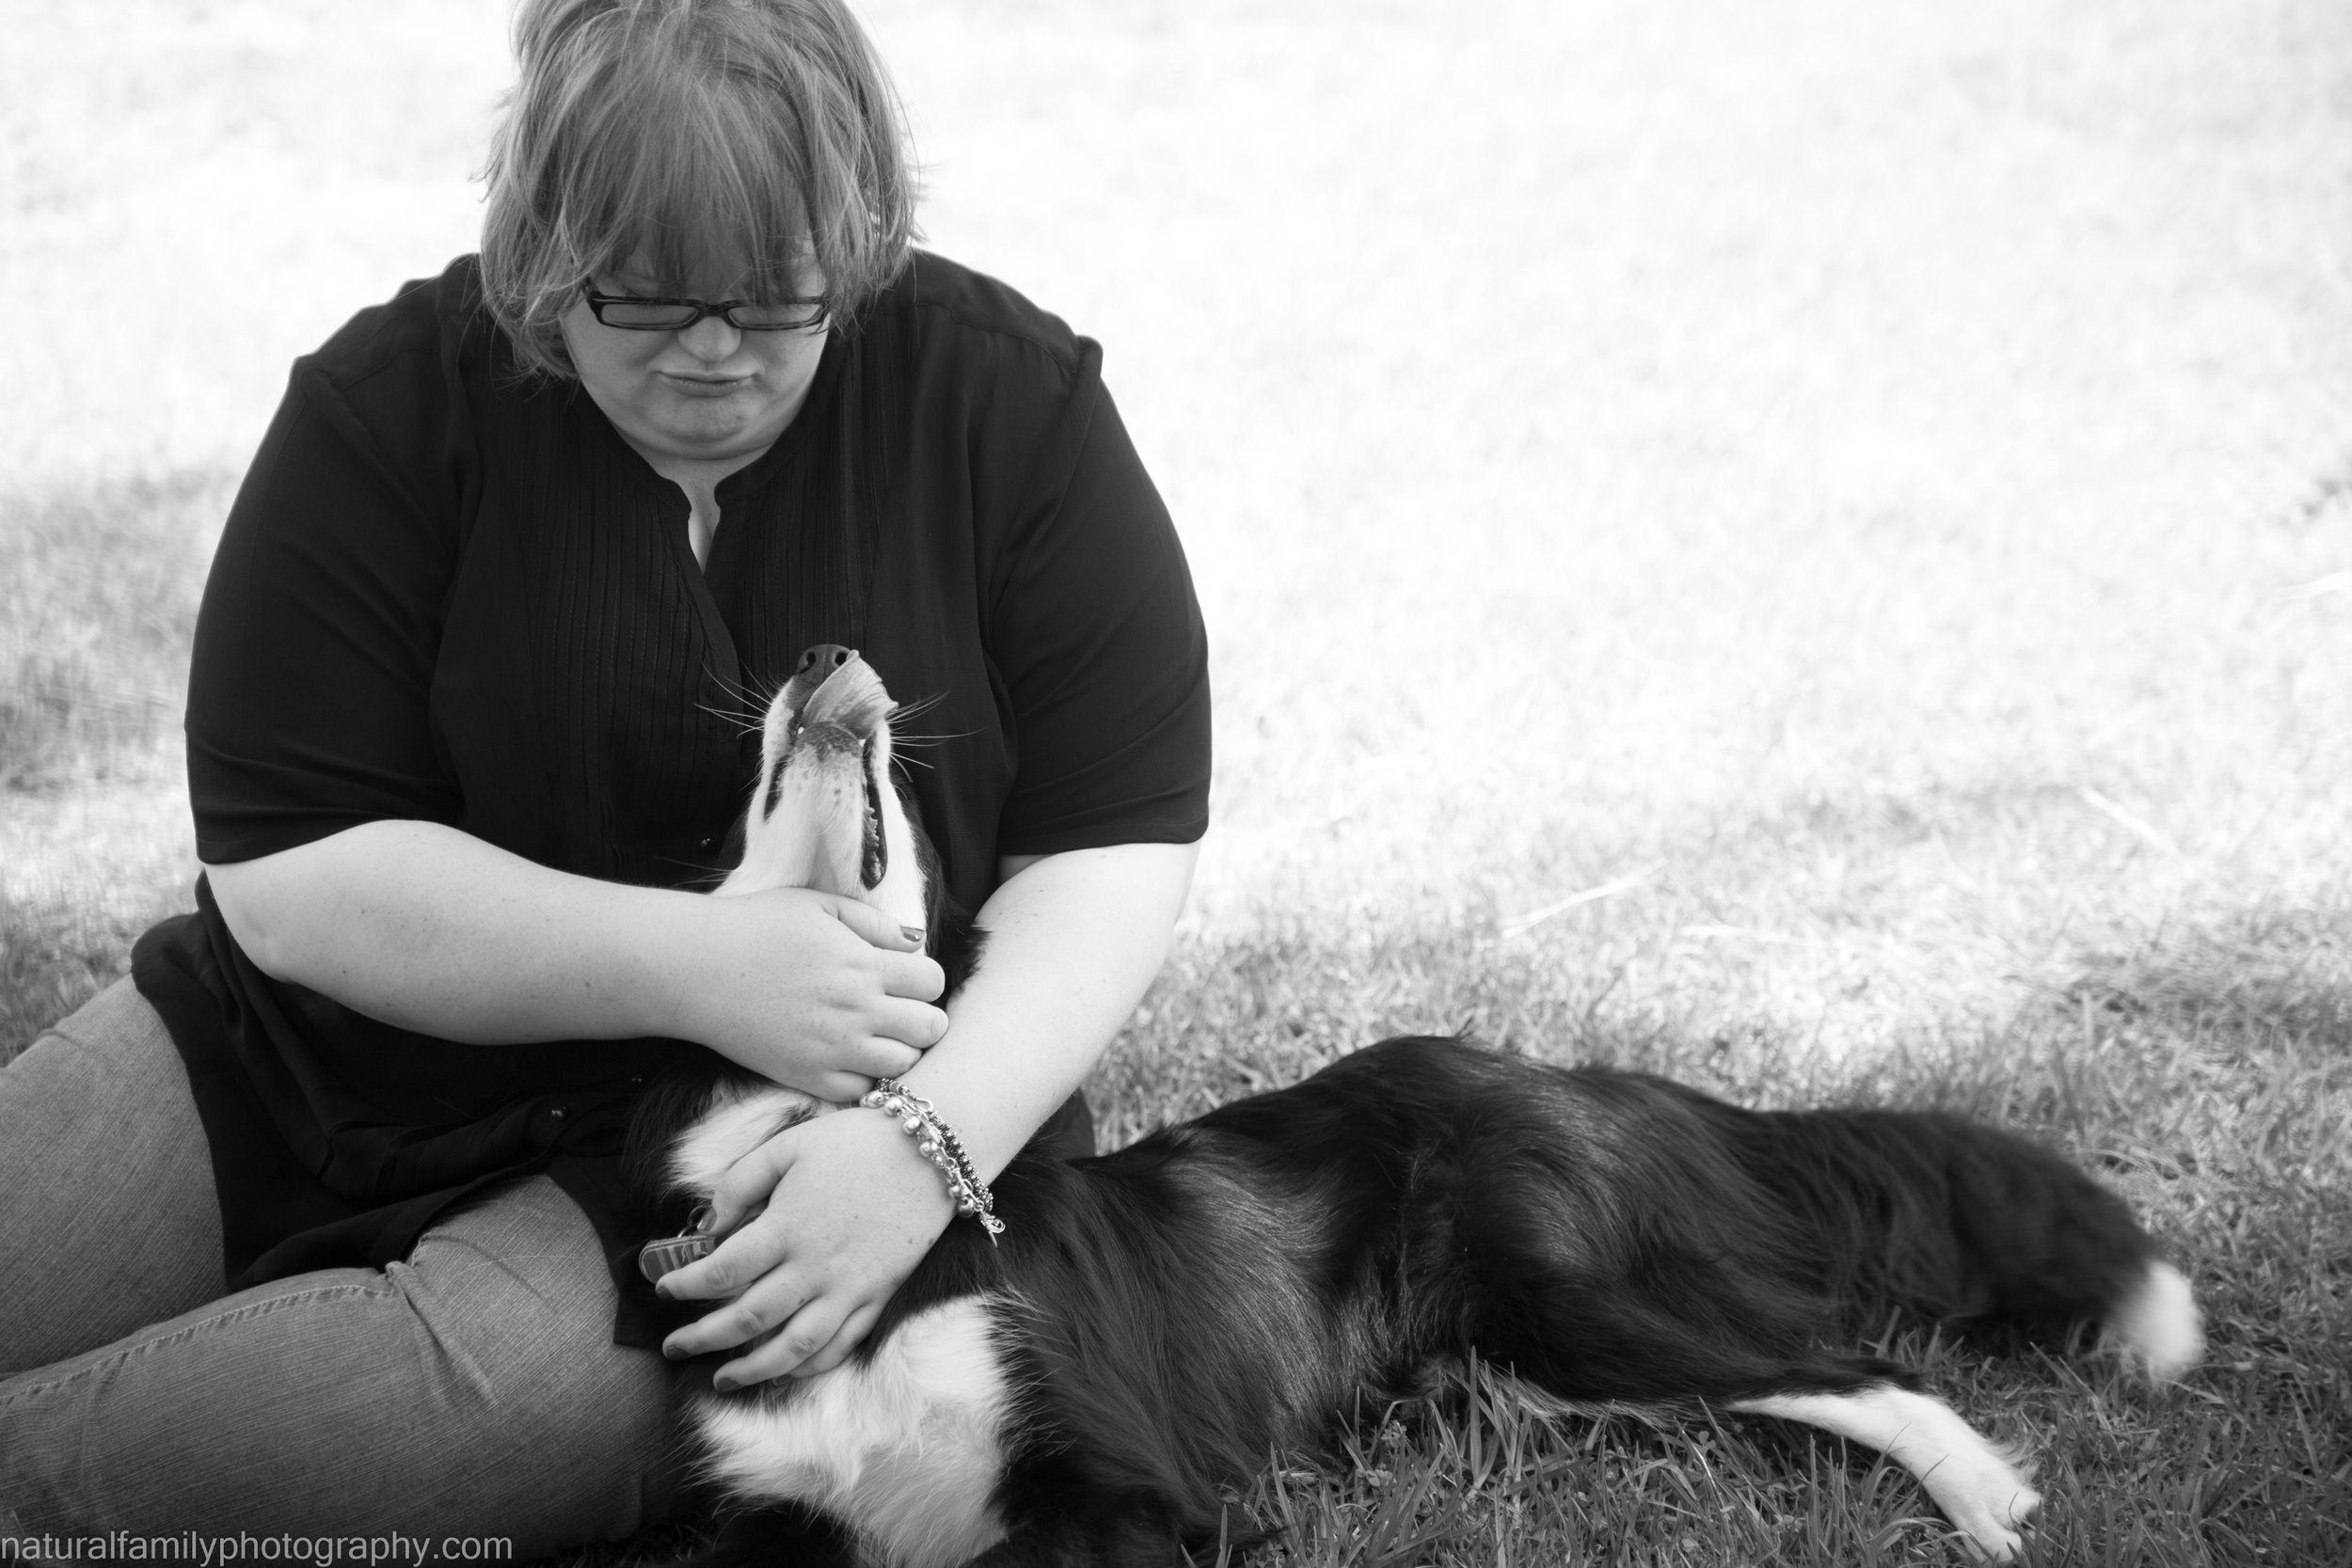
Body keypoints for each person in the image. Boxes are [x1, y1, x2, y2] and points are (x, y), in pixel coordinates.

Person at [0, 0, 1208, 1549]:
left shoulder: (1006, 406)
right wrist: (699, 962)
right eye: (641, 297)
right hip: (303, 1065)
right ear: (542, 248)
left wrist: (931, 1148)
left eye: (776, 298)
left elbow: (1115, 839)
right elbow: (289, 862)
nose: (715, 349)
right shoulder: (383, 412)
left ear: (862, 235)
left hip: (756, 1173)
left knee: (60, 1492)